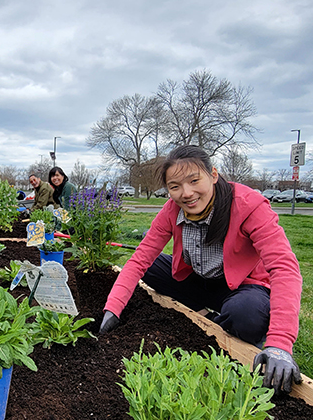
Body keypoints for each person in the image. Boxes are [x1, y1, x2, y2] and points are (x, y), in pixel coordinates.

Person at [99, 145, 303, 394]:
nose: (186, 193)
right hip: (198, 280)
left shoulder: (249, 206)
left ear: (213, 175)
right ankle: (203, 314)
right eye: (175, 186)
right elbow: (139, 260)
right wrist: (113, 309)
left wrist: (280, 343)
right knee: (149, 265)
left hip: (242, 288)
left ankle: (224, 324)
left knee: (246, 316)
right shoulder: (172, 211)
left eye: (194, 180)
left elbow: (284, 269)